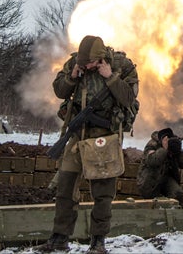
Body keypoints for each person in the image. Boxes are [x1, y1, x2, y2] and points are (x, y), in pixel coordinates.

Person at [34, 35, 138, 254]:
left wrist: (110, 78)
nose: (85, 66)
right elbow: (60, 91)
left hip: (104, 138)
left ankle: (97, 241)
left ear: (101, 59)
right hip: (77, 136)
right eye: (83, 63)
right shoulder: (75, 64)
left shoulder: (122, 66)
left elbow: (129, 99)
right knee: (65, 188)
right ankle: (60, 238)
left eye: (89, 63)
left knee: (102, 194)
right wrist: (72, 77)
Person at [137, 128, 183, 204]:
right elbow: (152, 161)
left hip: (166, 179)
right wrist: (164, 149)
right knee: (152, 203)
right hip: (150, 180)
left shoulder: (173, 146)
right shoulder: (152, 145)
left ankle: (175, 213)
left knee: (177, 193)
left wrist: (178, 151)